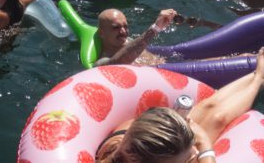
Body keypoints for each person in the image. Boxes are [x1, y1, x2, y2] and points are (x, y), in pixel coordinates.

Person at [96, 48, 264, 163]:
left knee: (208, 109)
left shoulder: (119, 146)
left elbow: (144, 134)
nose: (192, 153)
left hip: (144, 145)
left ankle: (258, 75)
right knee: (217, 120)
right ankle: (259, 78)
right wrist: (204, 144)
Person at [94, 7, 178, 66]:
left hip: (167, 63)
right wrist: (155, 28)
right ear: (101, 33)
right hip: (162, 73)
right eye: (116, 27)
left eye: (125, 26)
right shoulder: (102, 61)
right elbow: (117, 62)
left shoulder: (129, 41)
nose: (123, 31)